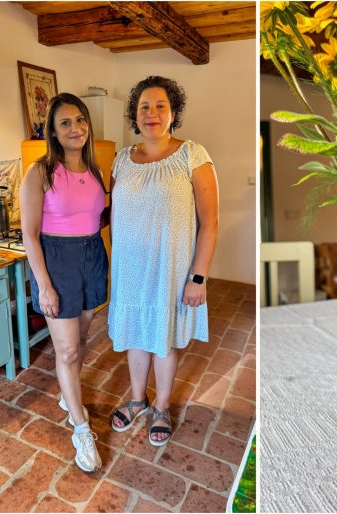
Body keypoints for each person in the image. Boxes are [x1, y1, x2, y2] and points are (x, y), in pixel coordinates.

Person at [108, 76, 220, 446]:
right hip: (130, 270)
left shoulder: (192, 154)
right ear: (134, 115)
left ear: (174, 113)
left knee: (164, 340)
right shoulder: (121, 159)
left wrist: (198, 278)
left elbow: (210, 222)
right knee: (137, 337)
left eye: (160, 106)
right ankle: (138, 399)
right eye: (144, 107)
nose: (151, 113)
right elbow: (112, 212)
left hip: (171, 270)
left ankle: (162, 406)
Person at [20, 93, 109, 472]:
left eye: (80, 120)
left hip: (91, 256)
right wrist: (43, 284)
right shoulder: (39, 172)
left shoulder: (95, 169)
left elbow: (98, 218)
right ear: (53, 132)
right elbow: (29, 234)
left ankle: (66, 392)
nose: (76, 128)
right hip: (56, 262)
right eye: (66, 123)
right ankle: (81, 427)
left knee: (82, 338)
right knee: (68, 351)